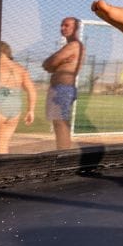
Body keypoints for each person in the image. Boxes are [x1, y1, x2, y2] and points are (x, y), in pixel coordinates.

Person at [42, 16, 84, 150]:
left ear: (75, 28)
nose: (62, 28)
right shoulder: (69, 45)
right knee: (58, 122)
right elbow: (47, 65)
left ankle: (63, 155)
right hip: (59, 88)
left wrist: (55, 63)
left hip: (63, 88)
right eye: (62, 25)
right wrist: (54, 63)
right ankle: (61, 152)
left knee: (61, 123)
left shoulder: (74, 45)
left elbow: (50, 63)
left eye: (66, 25)